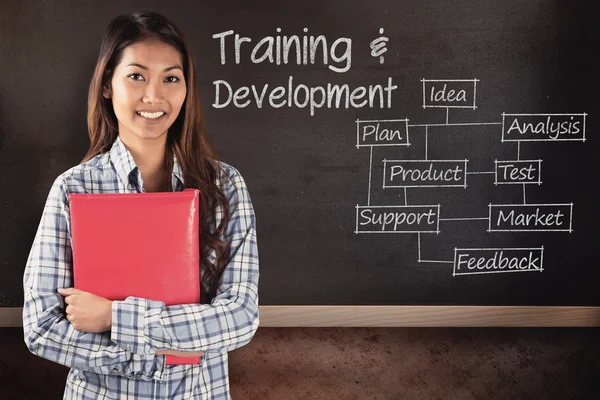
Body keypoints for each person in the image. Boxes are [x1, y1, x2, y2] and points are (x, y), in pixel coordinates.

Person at [22, 11, 259, 399]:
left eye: (171, 78)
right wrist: (163, 349)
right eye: (136, 76)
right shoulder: (74, 189)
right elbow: (42, 327)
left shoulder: (225, 187)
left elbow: (240, 318)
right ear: (107, 86)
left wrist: (114, 317)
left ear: (186, 88)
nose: (154, 96)